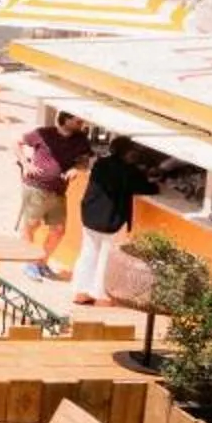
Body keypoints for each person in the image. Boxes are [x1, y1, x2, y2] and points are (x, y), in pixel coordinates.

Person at [70, 137, 154, 305]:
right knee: (107, 259)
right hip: (112, 220)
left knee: (88, 254)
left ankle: (80, 292)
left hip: (91, 216)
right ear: (126, 153)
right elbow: (147, 187)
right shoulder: (129, 170)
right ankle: (101, 295)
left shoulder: (100, 164)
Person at [15, 110, 91, 279]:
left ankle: (41, 262)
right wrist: (26, 164)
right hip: (36, 188)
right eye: (78, 121)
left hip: (59, 192)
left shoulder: (81, 139)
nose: (82, 124)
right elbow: (16, 142)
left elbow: (84, 161)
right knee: (31, 226)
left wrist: (76, 168)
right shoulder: (43, 133)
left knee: (58, 230)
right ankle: (28, 262)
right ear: (66, 120)